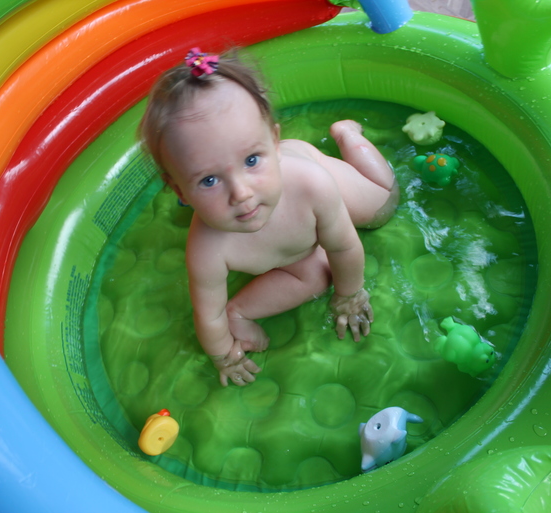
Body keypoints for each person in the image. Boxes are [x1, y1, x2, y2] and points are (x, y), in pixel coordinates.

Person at [139, 48, 398, 387]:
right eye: (209, 180)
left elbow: (344, 247)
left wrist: (349, 295)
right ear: (180, 190)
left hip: (315, 182)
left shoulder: (312, 185)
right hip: (298, 251)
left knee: (383, 206)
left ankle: (348, 136)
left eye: (251, 160)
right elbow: (209, 314)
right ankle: (240, 311)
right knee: (318, 275)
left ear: (274, 144)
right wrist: (225, 355)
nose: (241, 193)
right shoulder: (207, 249)